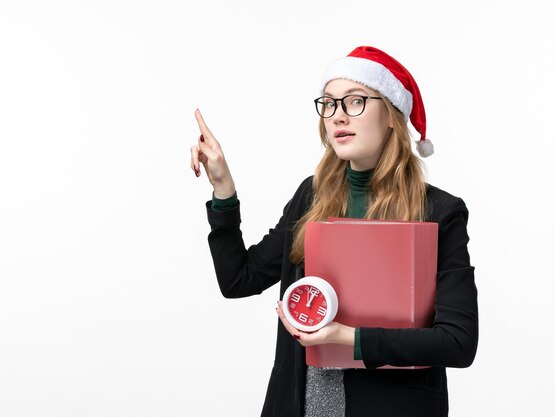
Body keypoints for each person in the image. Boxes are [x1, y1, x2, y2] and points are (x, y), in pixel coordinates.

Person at [190, 46, 478, 417]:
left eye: (355, 101)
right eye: (328, 104)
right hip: (301, 405)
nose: (338, 115)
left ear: (391, 114)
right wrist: (223, 190)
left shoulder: (440, 212)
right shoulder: (310, 196)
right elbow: (238, 279)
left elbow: (457, 342)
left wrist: (349, 339)